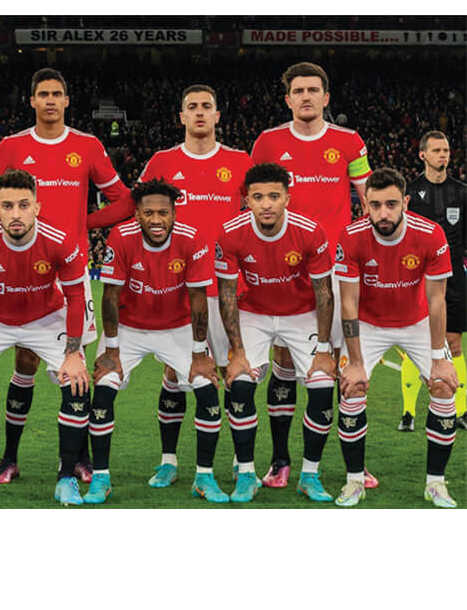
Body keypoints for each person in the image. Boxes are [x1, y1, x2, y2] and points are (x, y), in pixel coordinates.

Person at [0, 67, 133, 485]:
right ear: (32, 101)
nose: (50, 100)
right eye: (43, 94)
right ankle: (9, 458)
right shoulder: (12, 145)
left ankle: (78, 459)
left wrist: (83, 224)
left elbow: (124, 201)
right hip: (19, 268)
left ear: (67, 101)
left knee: (76, 369)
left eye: (57, 94)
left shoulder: (87, 146)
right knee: (24, 362)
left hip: (68, 271)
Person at [250, 61, 374, 489]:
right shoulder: (268, 142)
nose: (306, 96)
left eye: (313, 90)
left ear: (326, 97)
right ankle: (280, 461)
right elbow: (251, 200)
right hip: (282, 270)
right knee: (284, 361)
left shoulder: (349, 141)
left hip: (336, 271)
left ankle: (352, 463)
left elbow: (368, 200)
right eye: (298, 91)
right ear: (288, 99)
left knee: (339, 363)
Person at [129, 84, 252, 488]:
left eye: (207, 106)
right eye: (192, 107)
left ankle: (240, 460)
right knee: (174, 373)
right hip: (177, 291)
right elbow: (137, 215)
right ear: (181, 117)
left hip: (229, 289)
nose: (200, 112)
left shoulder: (240, 161)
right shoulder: (162, 162)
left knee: (235, 373)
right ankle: (168, 461)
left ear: (218, 115)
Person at [0, 169, 89, 506]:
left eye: (24, 205)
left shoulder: (59, 240)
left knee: (77, 381)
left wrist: (72, 353)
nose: (16, 214)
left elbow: (76, 296)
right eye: (7, 206)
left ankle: (66, 478)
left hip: (45, 318)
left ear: (37, 207)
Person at [85, 178, 225, 505]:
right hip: (130, 328)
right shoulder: (121, 236)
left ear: (175, 213)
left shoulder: (192, 238)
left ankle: (204, 477)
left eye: (164, 212)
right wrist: (112, 350)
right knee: (104, 388)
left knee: (206, 389)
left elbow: (199, 299)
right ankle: (100, 479)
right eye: (149, 213)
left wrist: (199, 353)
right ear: (137, 214)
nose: (157, 219)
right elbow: (110, 296)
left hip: (177, 328)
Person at [335, 167, 458, 508]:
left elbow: (437, 300)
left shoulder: (430, 234)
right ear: (365, 205)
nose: (383, 213)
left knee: (443, 386)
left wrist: (438, 358)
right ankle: (354, 480)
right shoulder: (352, 236)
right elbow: (349, 302)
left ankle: (436, 484)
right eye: (375, 205)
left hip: (417, 322)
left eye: (391, 204)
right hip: (369, 324)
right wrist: (355, 362)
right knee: (352, 387)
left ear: (405, 202)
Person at [216, 163, 336, 503]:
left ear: (287, 198)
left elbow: (324, 293)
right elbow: (227, 294)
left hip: (301, 316)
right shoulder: (231, 232)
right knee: (240, 383)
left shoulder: (310, 231)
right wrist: (237, 351)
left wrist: (324, 349)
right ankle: (246, 474)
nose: (266, 204)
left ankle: (309, 475)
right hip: (254, 315)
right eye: (258, 197)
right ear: (247, 200)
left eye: (273, 196)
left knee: (323, 386)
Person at [397, 131, 466, 432]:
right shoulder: (410, 193)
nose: (443, 155)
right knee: (415, 342)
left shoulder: (462, 192)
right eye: (437, 150)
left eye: (446, 150)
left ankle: (461, 410)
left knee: (454, 342)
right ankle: (408, 412)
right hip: (417, 276)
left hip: (453, 276)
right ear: (422, 155)